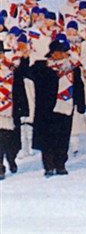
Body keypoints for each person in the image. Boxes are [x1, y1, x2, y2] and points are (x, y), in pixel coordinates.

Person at [28, 39, 86, 176]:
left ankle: (60, 164)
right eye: (56, 52)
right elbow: (27, 73)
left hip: (65, 107)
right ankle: (48, 166)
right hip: (47, 109)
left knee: (63, 137)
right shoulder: (42, 67)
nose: (59, 55)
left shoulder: (72, 68)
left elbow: (78, 86)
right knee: (47, 139)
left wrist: (80, 104)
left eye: (62, 52)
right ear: (51, 54)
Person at [0, 41, 29, 180]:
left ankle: (11, 158)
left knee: (13, 140)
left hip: (12, 110)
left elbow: (22, 72)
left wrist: (24, 57)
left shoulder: (11, 69)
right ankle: (0, 167)